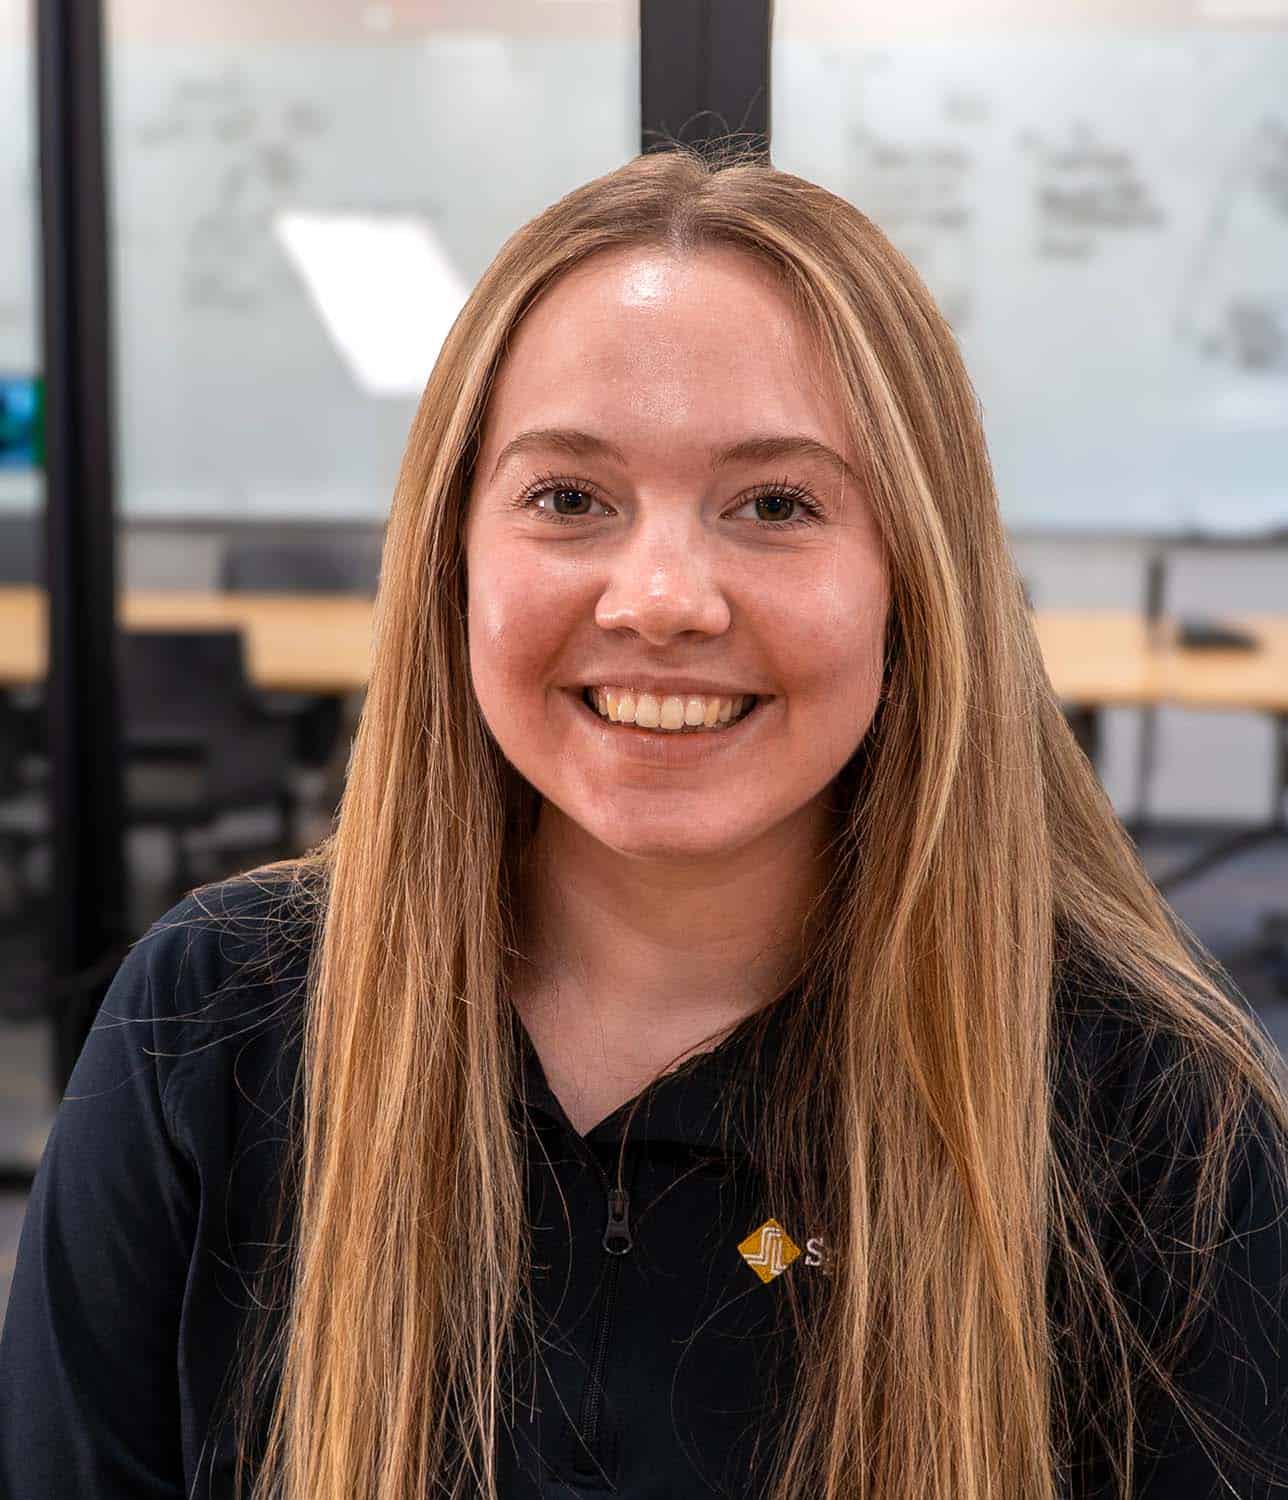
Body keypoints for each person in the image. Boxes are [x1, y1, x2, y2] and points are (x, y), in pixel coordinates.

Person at [2, 142, 1287, 1500]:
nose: (662, 596)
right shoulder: (211, 1030)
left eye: (776, 505)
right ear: (453, 558)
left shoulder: (1157, 1117)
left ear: (916, 577)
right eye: (568, 499)